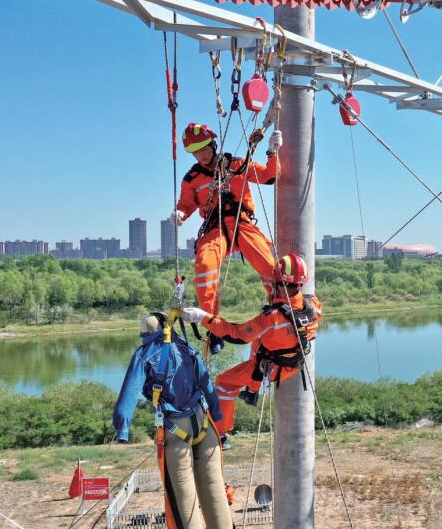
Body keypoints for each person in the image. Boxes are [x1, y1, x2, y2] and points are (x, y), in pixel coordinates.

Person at [181, 253, 321, 447]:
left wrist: (203, 317)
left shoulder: (271, 318)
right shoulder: (313, 305)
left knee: (224, 383)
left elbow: (237, 334)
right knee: (260, 342)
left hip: (272, 368)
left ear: (278, 283)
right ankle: (252, 391)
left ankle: (221, 433)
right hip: (294, 363)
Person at [113, 312, 233, 529]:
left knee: (184, 502)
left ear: (145, 333)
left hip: (175, 429)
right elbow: (208, 388)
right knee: (215, 492)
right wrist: (219, 421)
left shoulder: (144, 354)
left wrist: (123, 432)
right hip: (203, 423)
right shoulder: (186, 347)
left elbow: (127, 399)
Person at [172, 122, 282, 316]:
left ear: (213, 145)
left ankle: (279, 306)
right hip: (216, 229)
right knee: (205, 265)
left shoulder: (237, 165)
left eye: (204, 149)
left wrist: (272, 153)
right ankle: (211, 322)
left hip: (243, 224)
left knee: (269, 263)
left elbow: (269, 176)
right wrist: (180, 214)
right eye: (196, 153)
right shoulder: (192, 179)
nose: (202, 155)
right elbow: (186, 204)